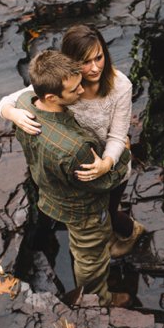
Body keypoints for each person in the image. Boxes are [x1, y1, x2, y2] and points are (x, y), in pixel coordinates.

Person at [0, 25, 145, 257]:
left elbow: (118, 136)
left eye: (99, 57)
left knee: (108, 210)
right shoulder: (62, 83)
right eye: (86, 62)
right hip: (74, 167)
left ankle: (132, 232)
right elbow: (7, 101)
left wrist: (106, 164)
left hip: (110, 163)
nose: (95, 67)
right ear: (72, 61)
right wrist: (13, 114)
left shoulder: (120, 86)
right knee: (89, 213)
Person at [13, 49, 130, 307]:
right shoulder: (74, 148)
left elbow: (9, 103)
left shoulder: (23, 105)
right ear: (52, 97)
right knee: (91, 258)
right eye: (75, 89)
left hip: (51, 194)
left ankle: (108, 246)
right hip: (83, 209)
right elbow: (104, 182)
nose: (81, 91)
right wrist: (124, 155)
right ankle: (98, 299)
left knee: (82, 246)